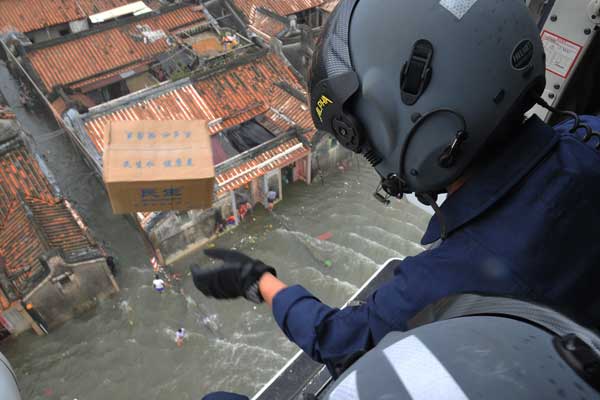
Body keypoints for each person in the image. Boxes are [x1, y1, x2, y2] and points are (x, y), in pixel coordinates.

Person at [192, 0, 600, 397]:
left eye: (363, 138)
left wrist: (259, 280)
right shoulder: (588, 136)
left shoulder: (450, 276)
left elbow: (337, 341)